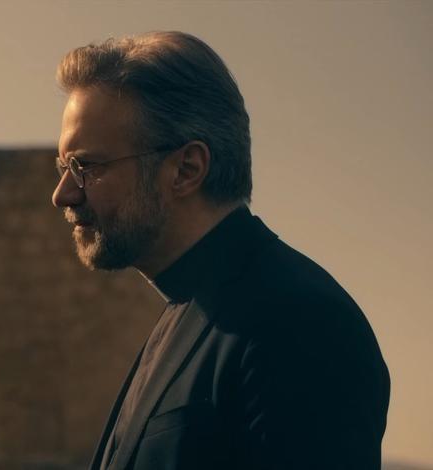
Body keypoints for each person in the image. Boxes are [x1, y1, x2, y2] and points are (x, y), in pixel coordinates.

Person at [52, 32, 389, 470]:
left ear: (187, 169)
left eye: (86, 167)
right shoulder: (191, 310)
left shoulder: (299, 322)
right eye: (64, 167)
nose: (63, 194)